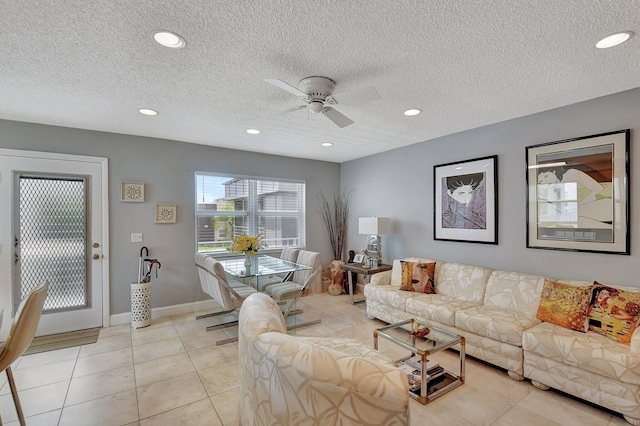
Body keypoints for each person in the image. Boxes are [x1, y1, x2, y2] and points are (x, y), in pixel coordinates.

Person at [537, 165, 612, 228]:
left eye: (546, 176)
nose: (545, 182)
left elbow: (598, 190)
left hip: (603, 201)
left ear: (553, 171)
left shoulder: (572, 173)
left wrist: (578, 206)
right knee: (562, 220)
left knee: (565, 219)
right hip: (585, 211)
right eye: (540, 181)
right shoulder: (555, 191)